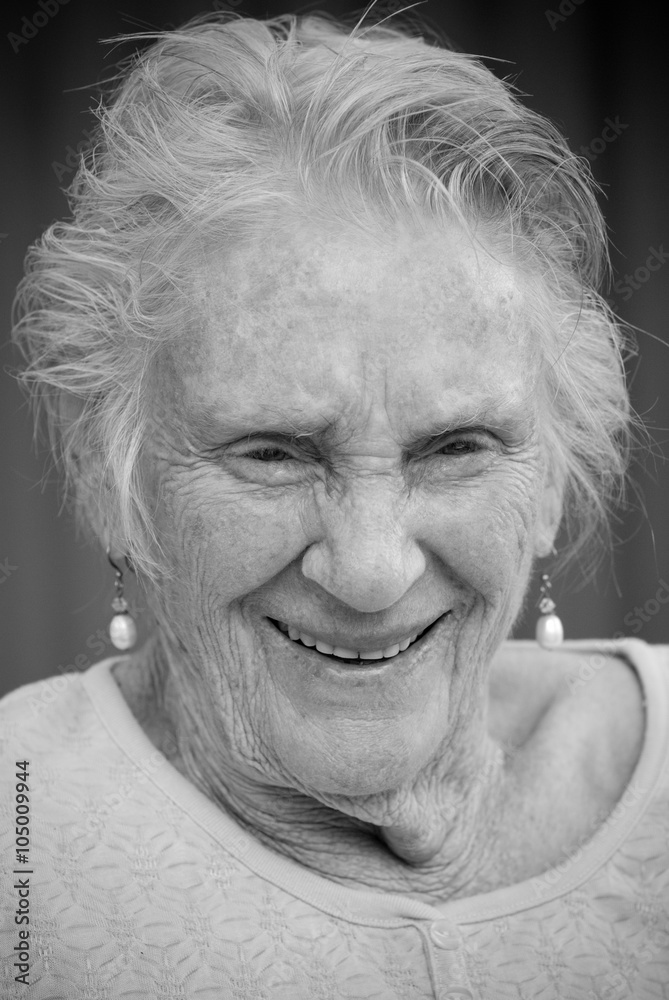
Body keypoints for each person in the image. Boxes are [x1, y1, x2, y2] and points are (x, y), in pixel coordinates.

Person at [2, 10, 667, 999]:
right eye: (273, 454)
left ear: (552, 483)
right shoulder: (20, 838)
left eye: (455, 448)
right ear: (114, 482)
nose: (369, 571)